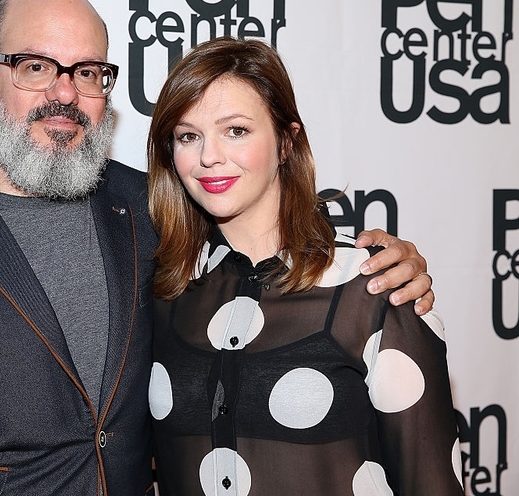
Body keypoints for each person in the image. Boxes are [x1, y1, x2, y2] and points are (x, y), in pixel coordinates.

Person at [0, 0, 435, 495]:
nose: (64, 93)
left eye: (87, 72)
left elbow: (270, 241)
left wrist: (387, 265)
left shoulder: (153, 209)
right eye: (36, 66)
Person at [146, 36, 463, 495]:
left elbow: (431, 484)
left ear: (285, 143)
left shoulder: (373, 287)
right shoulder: (165, 289)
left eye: (236, 130)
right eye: (188, 136)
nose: (208, 156)